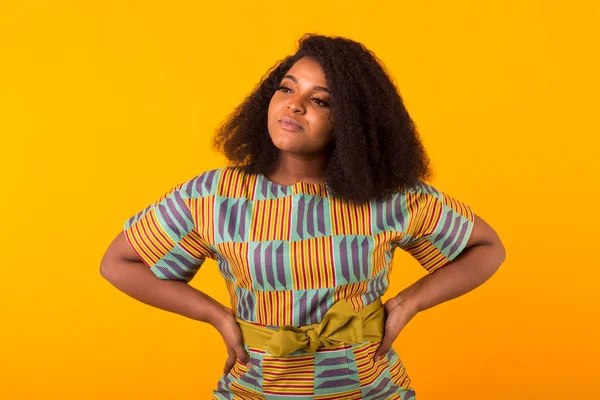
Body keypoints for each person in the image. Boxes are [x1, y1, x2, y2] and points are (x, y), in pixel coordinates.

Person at [100, 34, 506, 399]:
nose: (294, 104)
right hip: (255, 393)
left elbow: (486, 248)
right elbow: (119, 263)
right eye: (287, 88)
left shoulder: (388, 197)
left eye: (320, 100)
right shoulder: (213, 195)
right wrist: (216, 315)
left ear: (353, 124)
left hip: (371, 392)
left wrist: (409, 303)